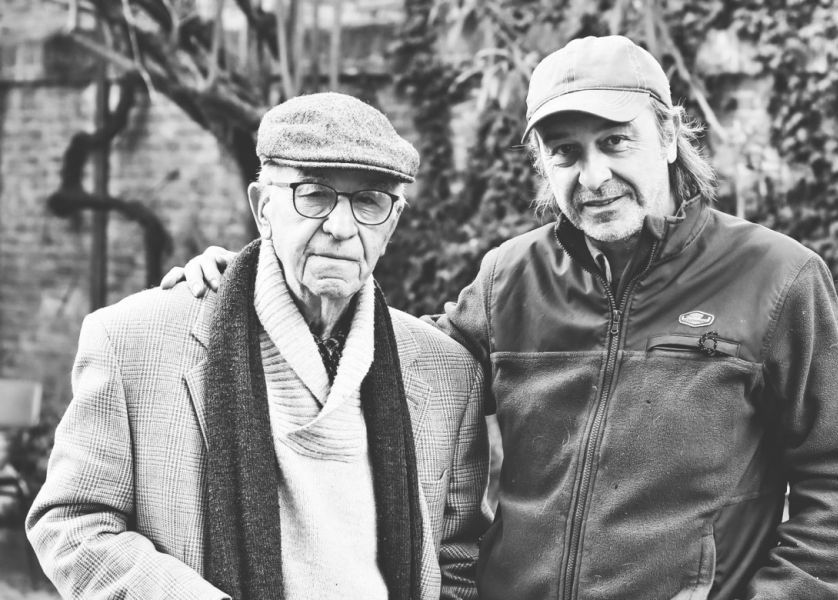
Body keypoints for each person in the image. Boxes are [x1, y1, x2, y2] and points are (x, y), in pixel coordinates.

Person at [162, 36, 838, 600]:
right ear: (541, 162)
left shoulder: (777, 278)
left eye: (616, 142)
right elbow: (389, 365)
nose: (593, 176)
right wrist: (256, 285)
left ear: (668, 135)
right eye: (565, 152)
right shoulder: (510, 277)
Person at [26, 93, 491, 600]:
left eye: (370, 201)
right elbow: (74, 524)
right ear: (263, 207)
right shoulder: (133, 340)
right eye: (313, 194)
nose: (341, 227)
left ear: (393, 222)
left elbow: (459, 562)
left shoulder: (447, 372)